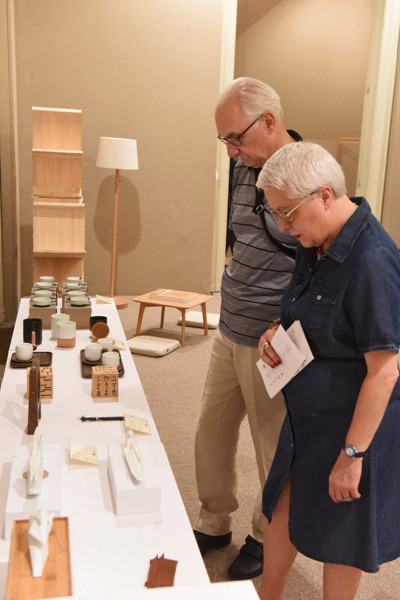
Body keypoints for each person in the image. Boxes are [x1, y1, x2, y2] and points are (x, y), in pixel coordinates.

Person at [256, 141, 400, 600]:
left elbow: (386, 371)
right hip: (307, 417)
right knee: (282, 502)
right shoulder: (314, 240)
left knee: (342, 534)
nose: (282, 225)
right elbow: (305, 310)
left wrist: (351, 457)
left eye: (287, 213)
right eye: (275, 213)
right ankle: (268, 594)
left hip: (351, 425)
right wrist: (274, 332)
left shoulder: (372, 260)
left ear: (323, 195)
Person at [193, 77, 301, 580]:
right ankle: (214, 521)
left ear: (270, 121)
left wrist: (286, 321)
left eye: (235, 138)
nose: (231, 151)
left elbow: (319, 262)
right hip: (229, 325)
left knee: (271, 445)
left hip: (272, 341)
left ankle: (263, 534)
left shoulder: (306, 175)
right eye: (225, 140)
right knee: (211, 432)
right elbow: (239, 238)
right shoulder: (242, 167)